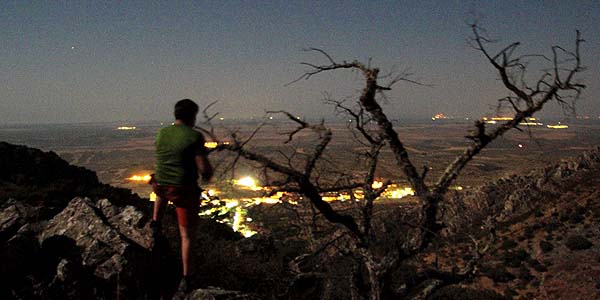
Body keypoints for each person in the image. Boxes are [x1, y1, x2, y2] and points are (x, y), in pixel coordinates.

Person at [150, 98, 213, 293]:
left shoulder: (162, 132)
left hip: (159, 186)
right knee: (187, 236)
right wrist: (207, 172)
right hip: (182, 192)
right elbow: (204, 169)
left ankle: (155, 222)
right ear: (192, 116)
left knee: (162, 184)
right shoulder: (194, 136)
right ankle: (187, 277)